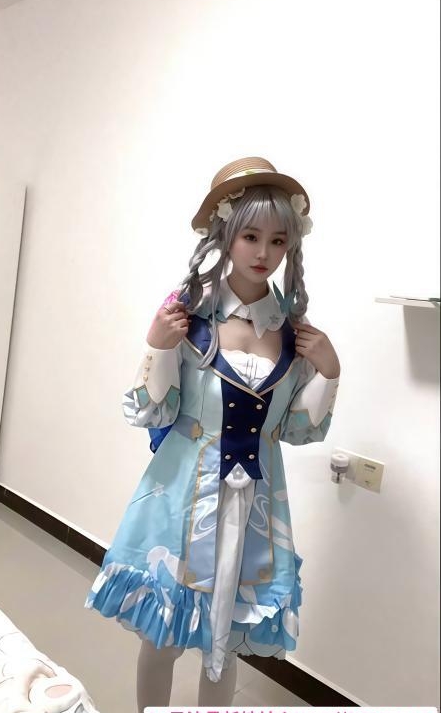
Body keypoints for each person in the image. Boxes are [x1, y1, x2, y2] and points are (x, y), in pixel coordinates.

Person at [85, 156, 341, 711]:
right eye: (251, 236)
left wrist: (329, 372)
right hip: (182, 494)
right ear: (226, 233)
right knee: (162, 634)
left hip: (256, 504)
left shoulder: (292, 334)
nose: (264, 252)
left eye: (278, 240)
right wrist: (157, 345)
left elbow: (297, 430)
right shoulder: (189, 316)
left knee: (223, 641)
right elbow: (152, 412)